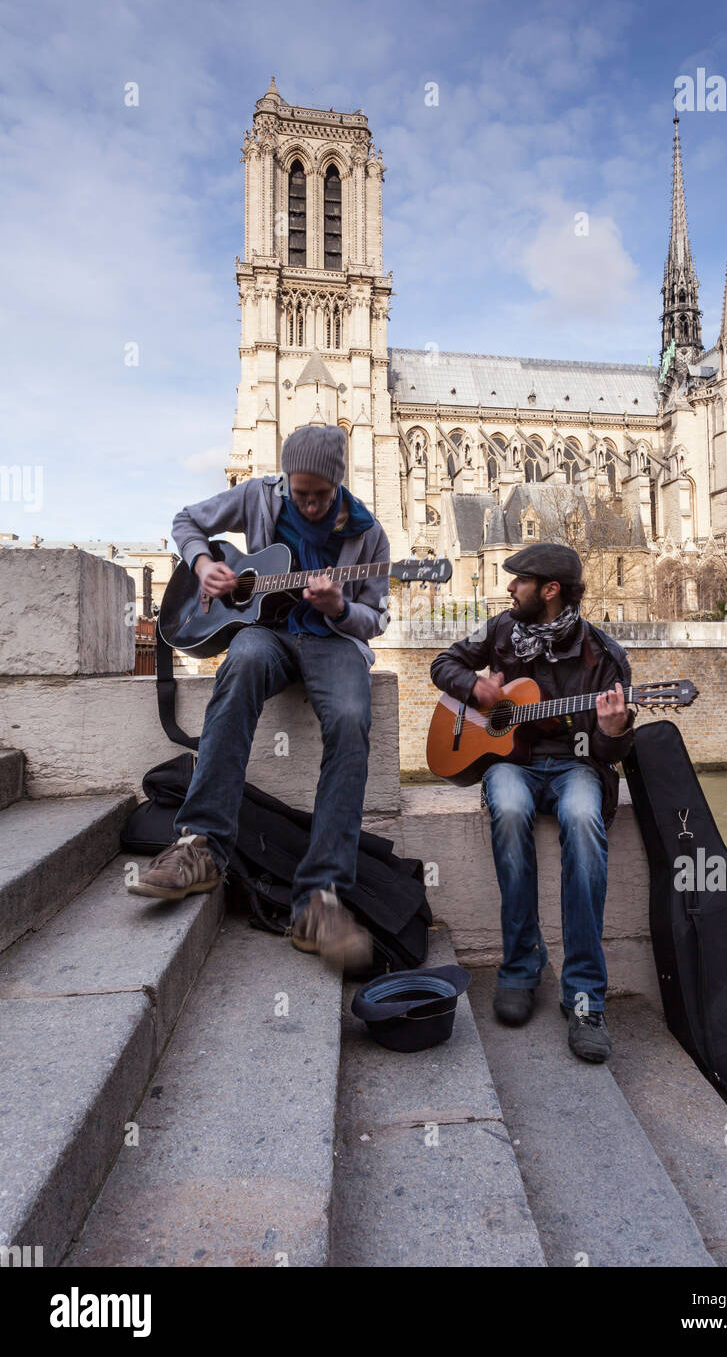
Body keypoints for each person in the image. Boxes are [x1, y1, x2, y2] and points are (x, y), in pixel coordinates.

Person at [128, 424, 390, 972]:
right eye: (302, 494)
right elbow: (187, 521)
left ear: (338, 484)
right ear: (287, 481)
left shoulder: (368, 535)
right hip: (265, 636)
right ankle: (199, 845)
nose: (311, 505)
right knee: (242, 660)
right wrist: (204, 564)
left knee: (348, 717)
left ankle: (320, 899)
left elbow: (376, 619)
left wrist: (339, 606)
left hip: (331, 642)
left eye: (321, 495)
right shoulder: (258, 495)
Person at [429, 544, 635, 1062]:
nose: (509, 588)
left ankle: (585, 995)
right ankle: (520, 969)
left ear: (549, 591)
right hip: (509, 764)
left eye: (518, 581)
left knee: (585, 819)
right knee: (511, 807)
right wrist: (477, 689)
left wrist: (613, 731)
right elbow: (443, 663)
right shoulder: (500, 631)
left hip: (577, 766)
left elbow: (613, 753)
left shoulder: (603, 655)